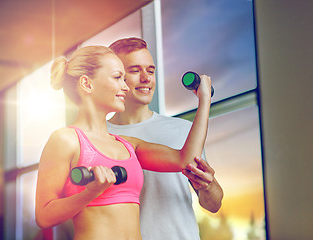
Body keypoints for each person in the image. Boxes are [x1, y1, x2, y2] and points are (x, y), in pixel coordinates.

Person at [35, 45, 213, 239]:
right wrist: (89, 193)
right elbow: (44, 216)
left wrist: (204, 101)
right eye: (117, 77)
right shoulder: (65, 140)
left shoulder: (127, 144)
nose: (126, 87)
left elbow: (185, 159)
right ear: (87, 84)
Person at [107, 37, 223, 240]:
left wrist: (209, 186)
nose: (146, 78)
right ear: (115, 76)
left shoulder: (184, 131)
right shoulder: (100, 136)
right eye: (135, 70)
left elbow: (212, 205)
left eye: (150, 71)